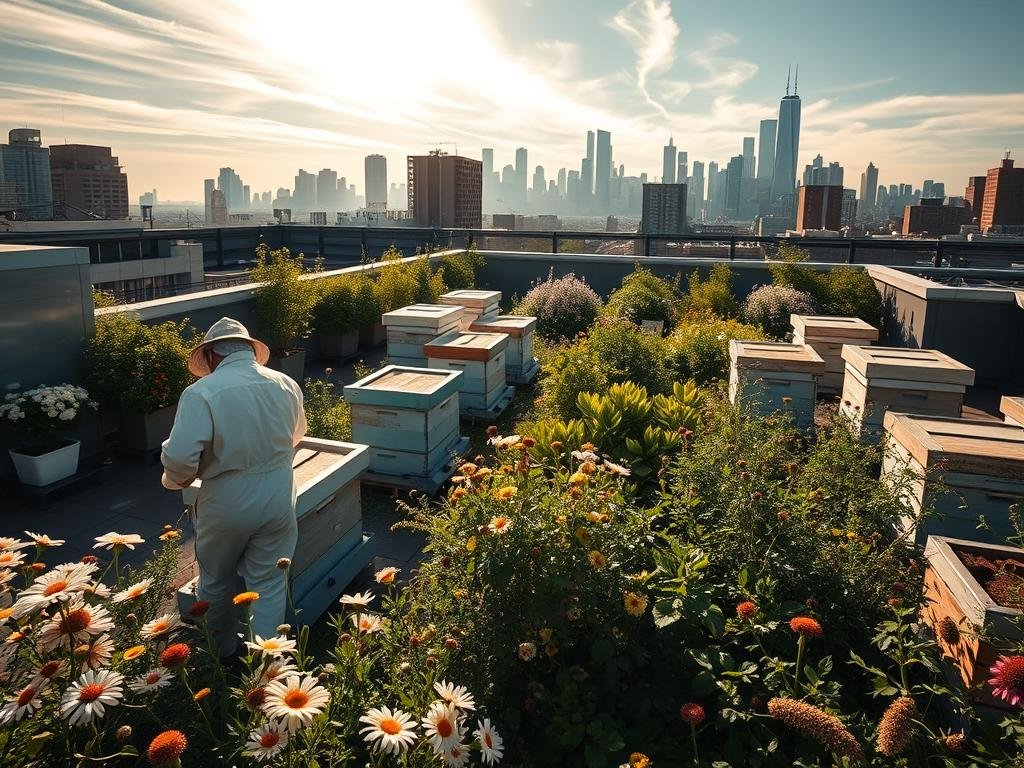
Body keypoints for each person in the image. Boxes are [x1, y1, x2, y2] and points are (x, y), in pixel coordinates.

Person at [161, 317, 306, 658]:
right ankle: (268, 666)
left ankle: (221, 655)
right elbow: (297, 435)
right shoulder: (285, 383)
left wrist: (176, 478)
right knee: (269, 584)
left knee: (214, 580)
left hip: (226, 497)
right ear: (249, 349)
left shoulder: (200, 392)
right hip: (279, 491)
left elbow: (181, 458)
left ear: (211, 355)